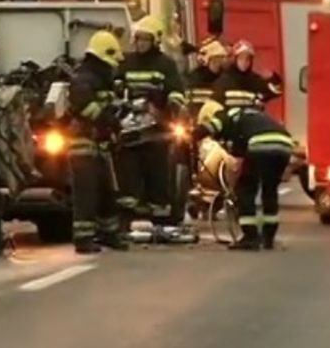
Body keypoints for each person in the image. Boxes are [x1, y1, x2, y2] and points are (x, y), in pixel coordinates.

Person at [116, 16, 188, 225]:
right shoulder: (126, 61)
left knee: (157, 169)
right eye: (138, 39)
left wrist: (171, 106)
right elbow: (116, 83)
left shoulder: (165, 64)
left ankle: (160, 214)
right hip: (129, 127)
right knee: (129, 169)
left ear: (155, 41)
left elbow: (176, 91)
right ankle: (129, 213)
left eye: (145, 40)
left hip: (157, 128)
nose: (141, 43)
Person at [195, 100, 294, 250]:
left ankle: (251, 237)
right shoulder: (248, 117)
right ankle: (268, 238)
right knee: (270, 190)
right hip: (284, 144)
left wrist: (193, 134)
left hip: (260, 145)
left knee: (246, 189)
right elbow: (239, 156)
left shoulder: (223, 115)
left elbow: (210, 127)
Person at [68, 30, 128, 254]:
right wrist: (110, 123)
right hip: (83, 145)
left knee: (106, 190)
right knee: (87, 192)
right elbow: (87, 107)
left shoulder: (101, 78)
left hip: (100, 145)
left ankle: (109, 233)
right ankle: (83, 239)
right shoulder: (84, 78)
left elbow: (106, 106)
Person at [213, 40, 283, 110]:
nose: (244, 62)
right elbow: (216, 106)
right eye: (241, 58)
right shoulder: (224, 80)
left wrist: (272, 78)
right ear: (235, 59)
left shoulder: (254, 80)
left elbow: (276, 91)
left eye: (248, 59)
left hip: (253, 118)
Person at [186, 40, 228, 113]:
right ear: (208, 59)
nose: (218, 62)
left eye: (220, 58)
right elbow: (189, 101)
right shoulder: (195, 78)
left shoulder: (225, 78)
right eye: (215, 58)